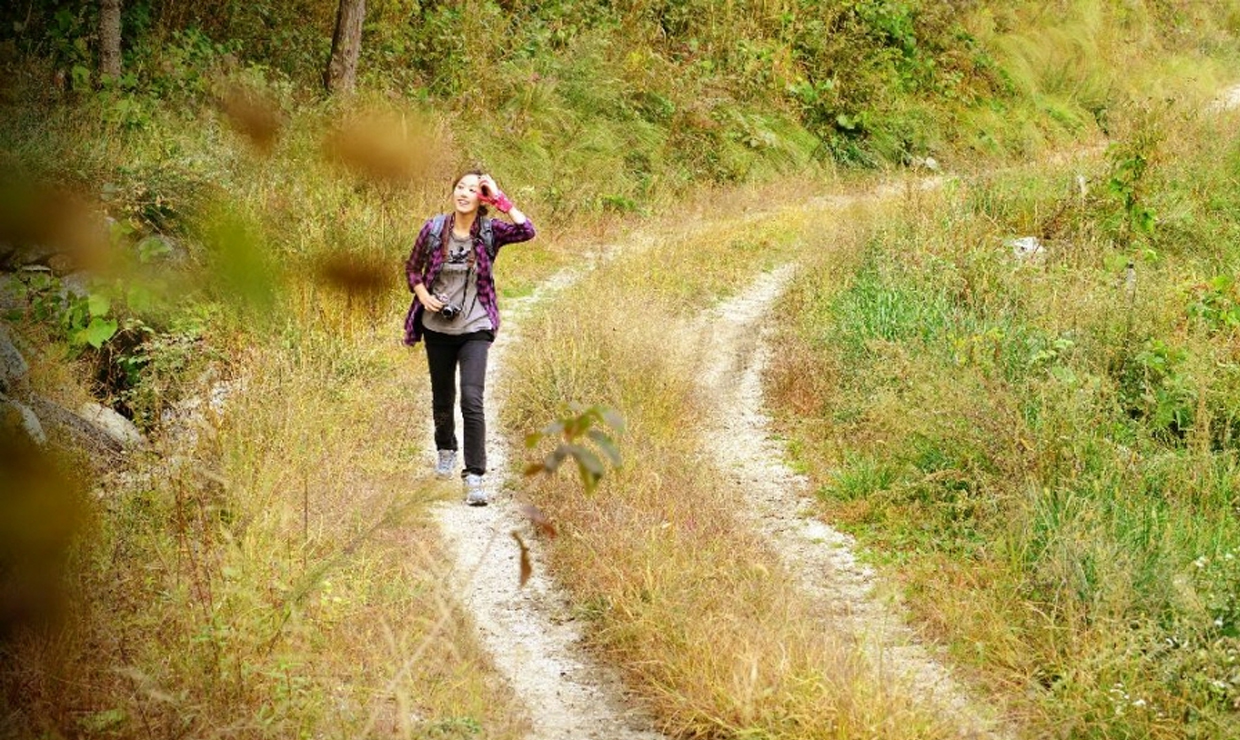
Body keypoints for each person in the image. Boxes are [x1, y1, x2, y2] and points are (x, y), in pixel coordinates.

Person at [403, 170, 535, 506]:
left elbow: (527, 230)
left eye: (473, 190)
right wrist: (422, 295)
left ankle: (474, 476)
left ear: (482, 198)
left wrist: (501, 200)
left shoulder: (490, 231)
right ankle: (446, 448)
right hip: (437, 327)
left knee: (472, 399)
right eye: (460, 187)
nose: (464, 194)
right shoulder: (434, 230)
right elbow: (412, 269)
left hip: (476, 326)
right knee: (442, 397)